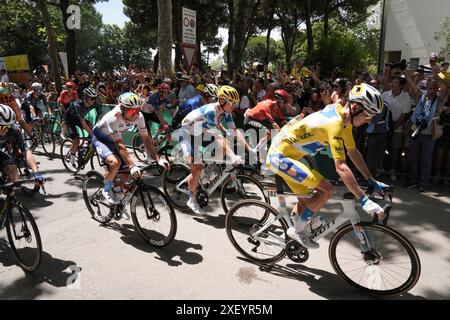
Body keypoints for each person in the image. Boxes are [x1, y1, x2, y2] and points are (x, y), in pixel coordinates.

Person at [267, 83, 387, 249]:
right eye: (368, 114)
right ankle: (296, 230)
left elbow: (353, 151)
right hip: (279, 157)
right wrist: (363, 199)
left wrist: (371, 179)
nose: (369, 120)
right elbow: (341, 167)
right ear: (354, 107)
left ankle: (294, 233)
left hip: (290, 155)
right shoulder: (335, 124)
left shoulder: (345, 120)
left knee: (309, 201)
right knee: (327, 190)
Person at [92, 92, 169, 218]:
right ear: (122, 108)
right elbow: (120, 145)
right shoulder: (113, 118)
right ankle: (106, 188)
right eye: (130, 112)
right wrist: (132, 164)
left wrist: (157, 159)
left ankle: (117, 200)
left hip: (114, 140)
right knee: (115, 163)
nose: (134, 115)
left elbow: (146, 139)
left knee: (127, 173)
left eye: (137, 111)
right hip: (101, 139)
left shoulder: (139, 116)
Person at [178, 85, 251, 215]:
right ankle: (192, 199)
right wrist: (233, 156)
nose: (234, 106)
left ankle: (207, 172)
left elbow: (235, 132)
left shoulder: (226, 113)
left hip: (201, 132)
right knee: (197, 167)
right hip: (187, 134)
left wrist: (249, 149)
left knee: (225, 144)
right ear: (222, 101)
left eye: (236, 103)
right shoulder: (211, 111)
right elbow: (218, 137)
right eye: (232, 103)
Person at [404, 71, 448, 192]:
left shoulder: (440, 99)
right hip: (416, 131)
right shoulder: (421, 95)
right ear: (426, 86)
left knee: (426, 161)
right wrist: (404, 70)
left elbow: (445, 86)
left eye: (434, 88)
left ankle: (424, 184)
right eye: (429, 88)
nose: (431, 91)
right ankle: (413, 181)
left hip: (429, 134)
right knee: (414, 159)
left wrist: (436, 70)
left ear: (437, 88)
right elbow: (410, 81)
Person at [0, 104, 44, 185]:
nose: (5, 130)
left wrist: (36, 172)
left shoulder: (13, 130)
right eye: (2, 127)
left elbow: (25, 151)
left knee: (13, 170)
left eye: (8, 126)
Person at [63, 87, 98, 168]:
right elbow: (82, 123)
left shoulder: (95, 103)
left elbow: (100, 115)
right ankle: (71, 159)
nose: (94, 100)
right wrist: (92, 134)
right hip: (70, 120)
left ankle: (86, 147)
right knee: (76, 141)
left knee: (91, 127)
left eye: (95, 98)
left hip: (78, 118)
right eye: (92, 98)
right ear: (85, 98)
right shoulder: (78, 105)